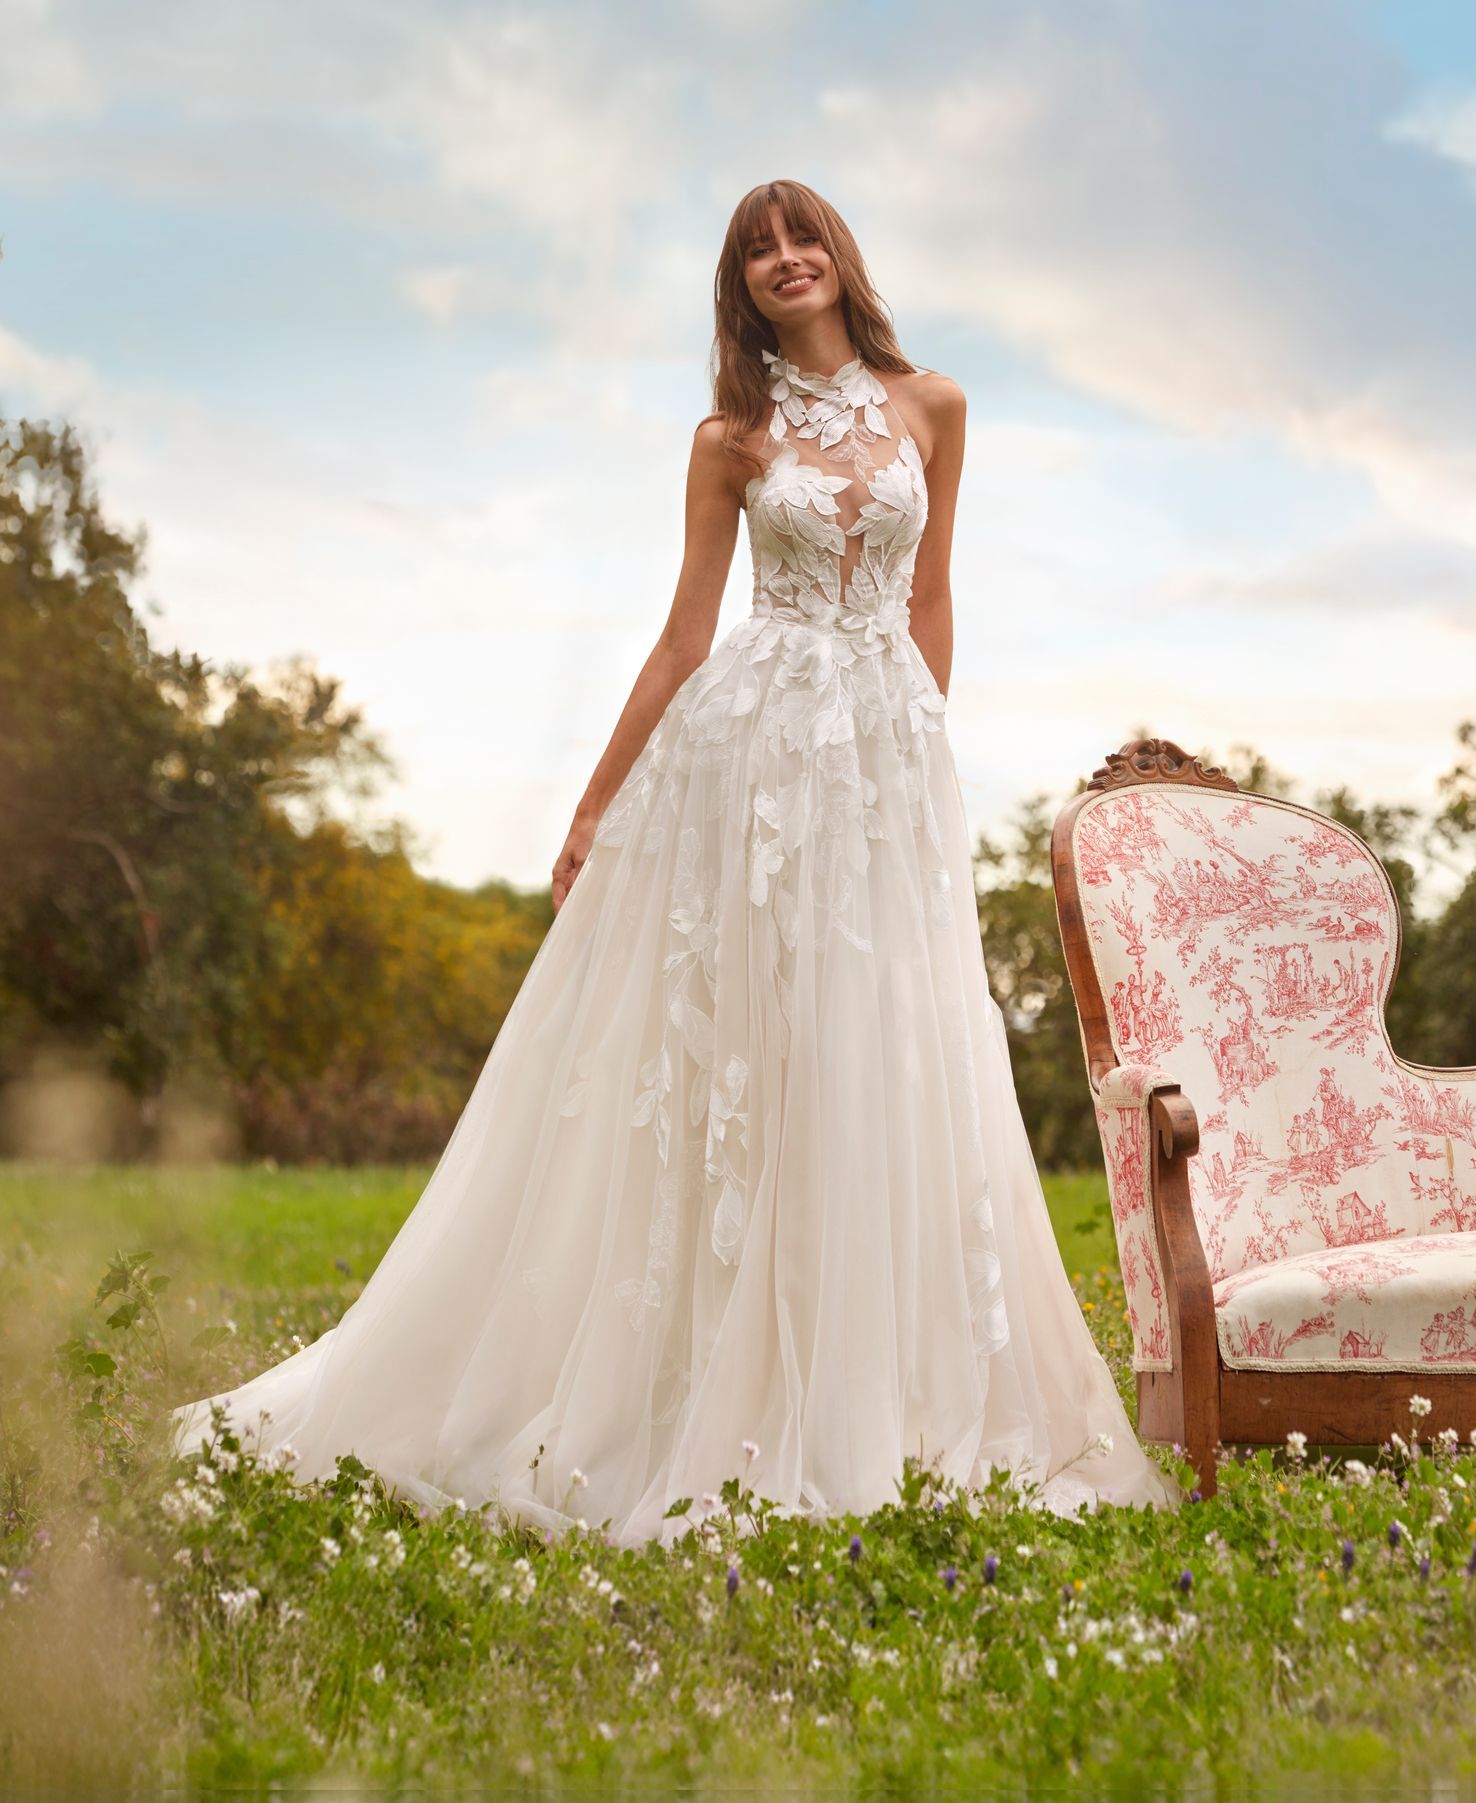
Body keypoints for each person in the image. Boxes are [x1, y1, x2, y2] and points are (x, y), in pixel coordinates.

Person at [173, 178, 1180, 1542]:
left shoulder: (933, 406)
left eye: (800, 236)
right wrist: (592, 808)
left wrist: (917, 758)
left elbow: (933, 596)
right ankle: (722, 1382)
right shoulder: (729, 438)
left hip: (883, 763)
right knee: (753, 1056)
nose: (784, 259)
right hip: (750, 766)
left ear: (841, 255)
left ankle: (884, 1389)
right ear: (740, 285)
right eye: (757, 250)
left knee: (881, 1049)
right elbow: (682, 634)